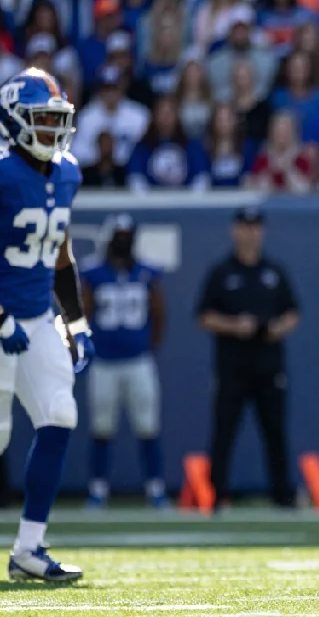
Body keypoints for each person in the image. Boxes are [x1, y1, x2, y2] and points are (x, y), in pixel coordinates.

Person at [0, 69, 95, 582]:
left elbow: (60, 254)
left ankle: (29, 550)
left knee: (60, 414)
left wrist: (75, 321)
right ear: (12, 120)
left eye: (58, 120)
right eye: (41, 120)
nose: (52, 130)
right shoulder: (1, 173)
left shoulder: (67, 173)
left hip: (37, 317)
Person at [197, 208, 300, 509]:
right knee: (224, 430)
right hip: (233, 365)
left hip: (269, 364)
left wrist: (278, 328)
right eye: (245, 227)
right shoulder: (222, 272)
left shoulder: (274, 271)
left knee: (275, 431)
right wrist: (235, 326)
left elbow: (293, 312)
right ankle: (216, 496)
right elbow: (204, 316)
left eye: (255, 227)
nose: (250, 233)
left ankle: (283, 495)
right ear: (235, 230)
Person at [79, 215, 167, 510]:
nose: (122, 242)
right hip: (104, 361)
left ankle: (155, 488)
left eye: (126, 236)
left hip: (138, 361)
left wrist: (147, 346)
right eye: (118, 236)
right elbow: (83, 313)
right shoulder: (94, 272)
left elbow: (159, 314)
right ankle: (98, 490)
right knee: (101, 428)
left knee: (148, 426)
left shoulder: (146, 272)